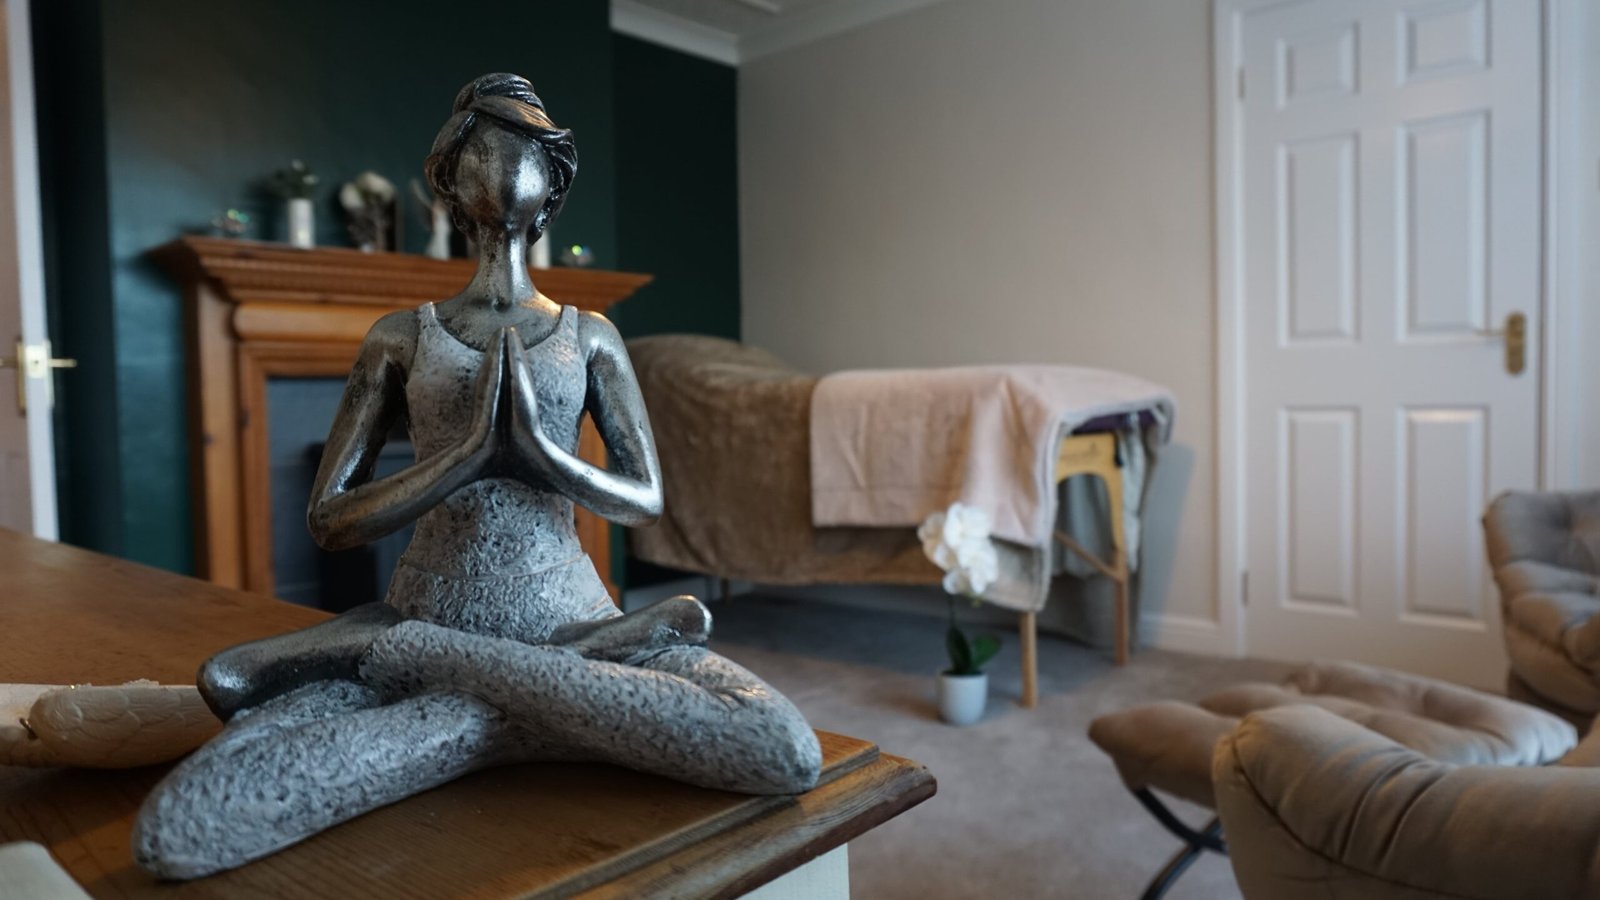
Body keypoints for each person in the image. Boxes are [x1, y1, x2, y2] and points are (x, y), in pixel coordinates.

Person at [132, 73, 820, 881]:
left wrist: (544, 462)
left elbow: (646, 498)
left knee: (777, 742)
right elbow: (331, 519)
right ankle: (536, 708)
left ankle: (448, 675)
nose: (501, 159)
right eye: (480, 145)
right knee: (192, 817)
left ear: (553, 180)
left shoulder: (589, 335)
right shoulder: (400, 336)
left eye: (522, 142)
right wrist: (462, 462)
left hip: (547, 630)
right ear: (448, 182)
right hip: (470, 618)